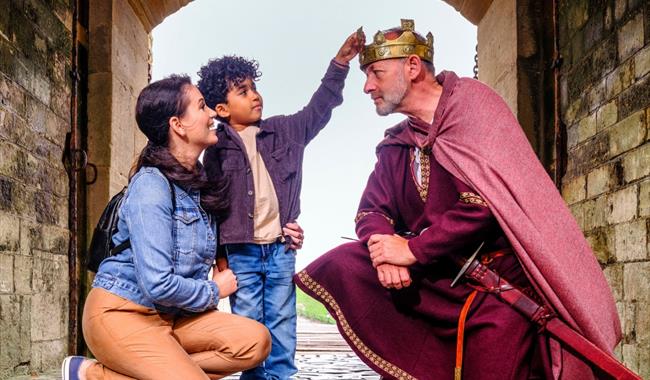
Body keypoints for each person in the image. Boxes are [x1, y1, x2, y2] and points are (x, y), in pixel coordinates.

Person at [294, 19, 622, 380]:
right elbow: (371, 210)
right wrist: (383, 248)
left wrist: (413, 250)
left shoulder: (473, 105)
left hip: (500, 284)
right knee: (344, 262)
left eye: (376, 73)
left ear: (413, 67)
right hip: (439, 276)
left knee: (495, 356)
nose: (368, 86)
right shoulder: (397, 144)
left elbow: (482, 203)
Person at [61, 75, 272, 380]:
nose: (212, 113)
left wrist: (283, 227)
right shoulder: (152, 185)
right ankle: (98, 373)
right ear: (178, 124)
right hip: (122, 313)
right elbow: (157, 284)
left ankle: (103, 375)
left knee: (255, 342)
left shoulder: (198, 186)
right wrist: (214, 291)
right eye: (201, 107)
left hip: (174, 318)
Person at [196, 33, 363, 380]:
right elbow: (210, 207)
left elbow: (320, 108)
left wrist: (340, 64)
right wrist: (220, 259)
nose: (254, 95)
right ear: (222, 110)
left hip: (279, 251)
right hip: (239, 253)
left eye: (254, 87)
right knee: (250, 332)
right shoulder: (214, 149)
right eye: (242, 91)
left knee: (283, 329)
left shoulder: (286, 131)